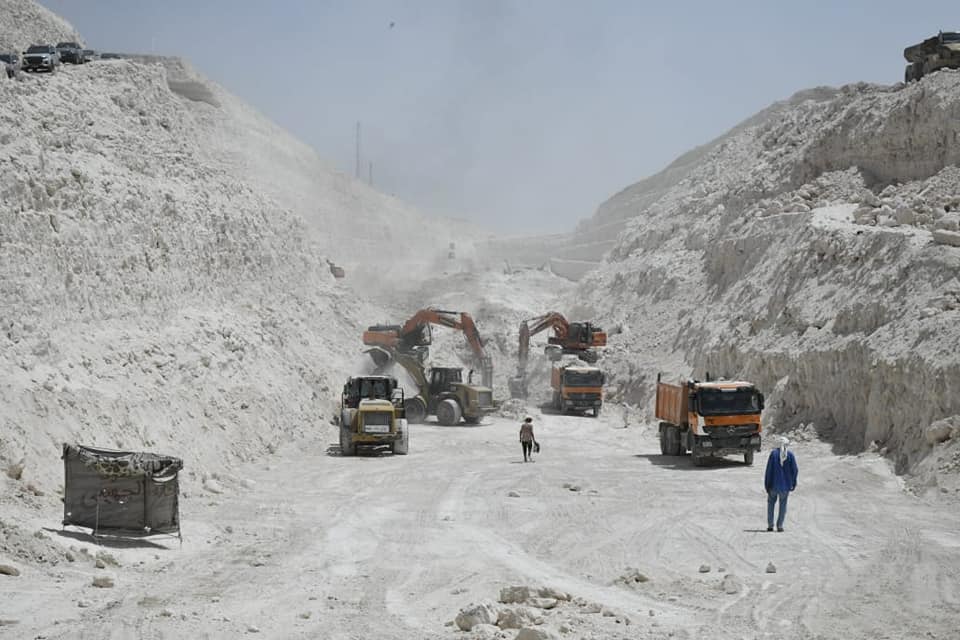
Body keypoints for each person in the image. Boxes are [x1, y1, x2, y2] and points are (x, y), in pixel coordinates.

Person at [764, 436, 798, 532]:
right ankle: (780, 526)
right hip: (785, 486)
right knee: (783, 505)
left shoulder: (773, 454)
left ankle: (770, 526)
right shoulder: (790, 455)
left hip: (773, 485)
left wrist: (767, 484)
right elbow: (795, 470)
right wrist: (793, 483)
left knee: (771, 504)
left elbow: (769, 470)